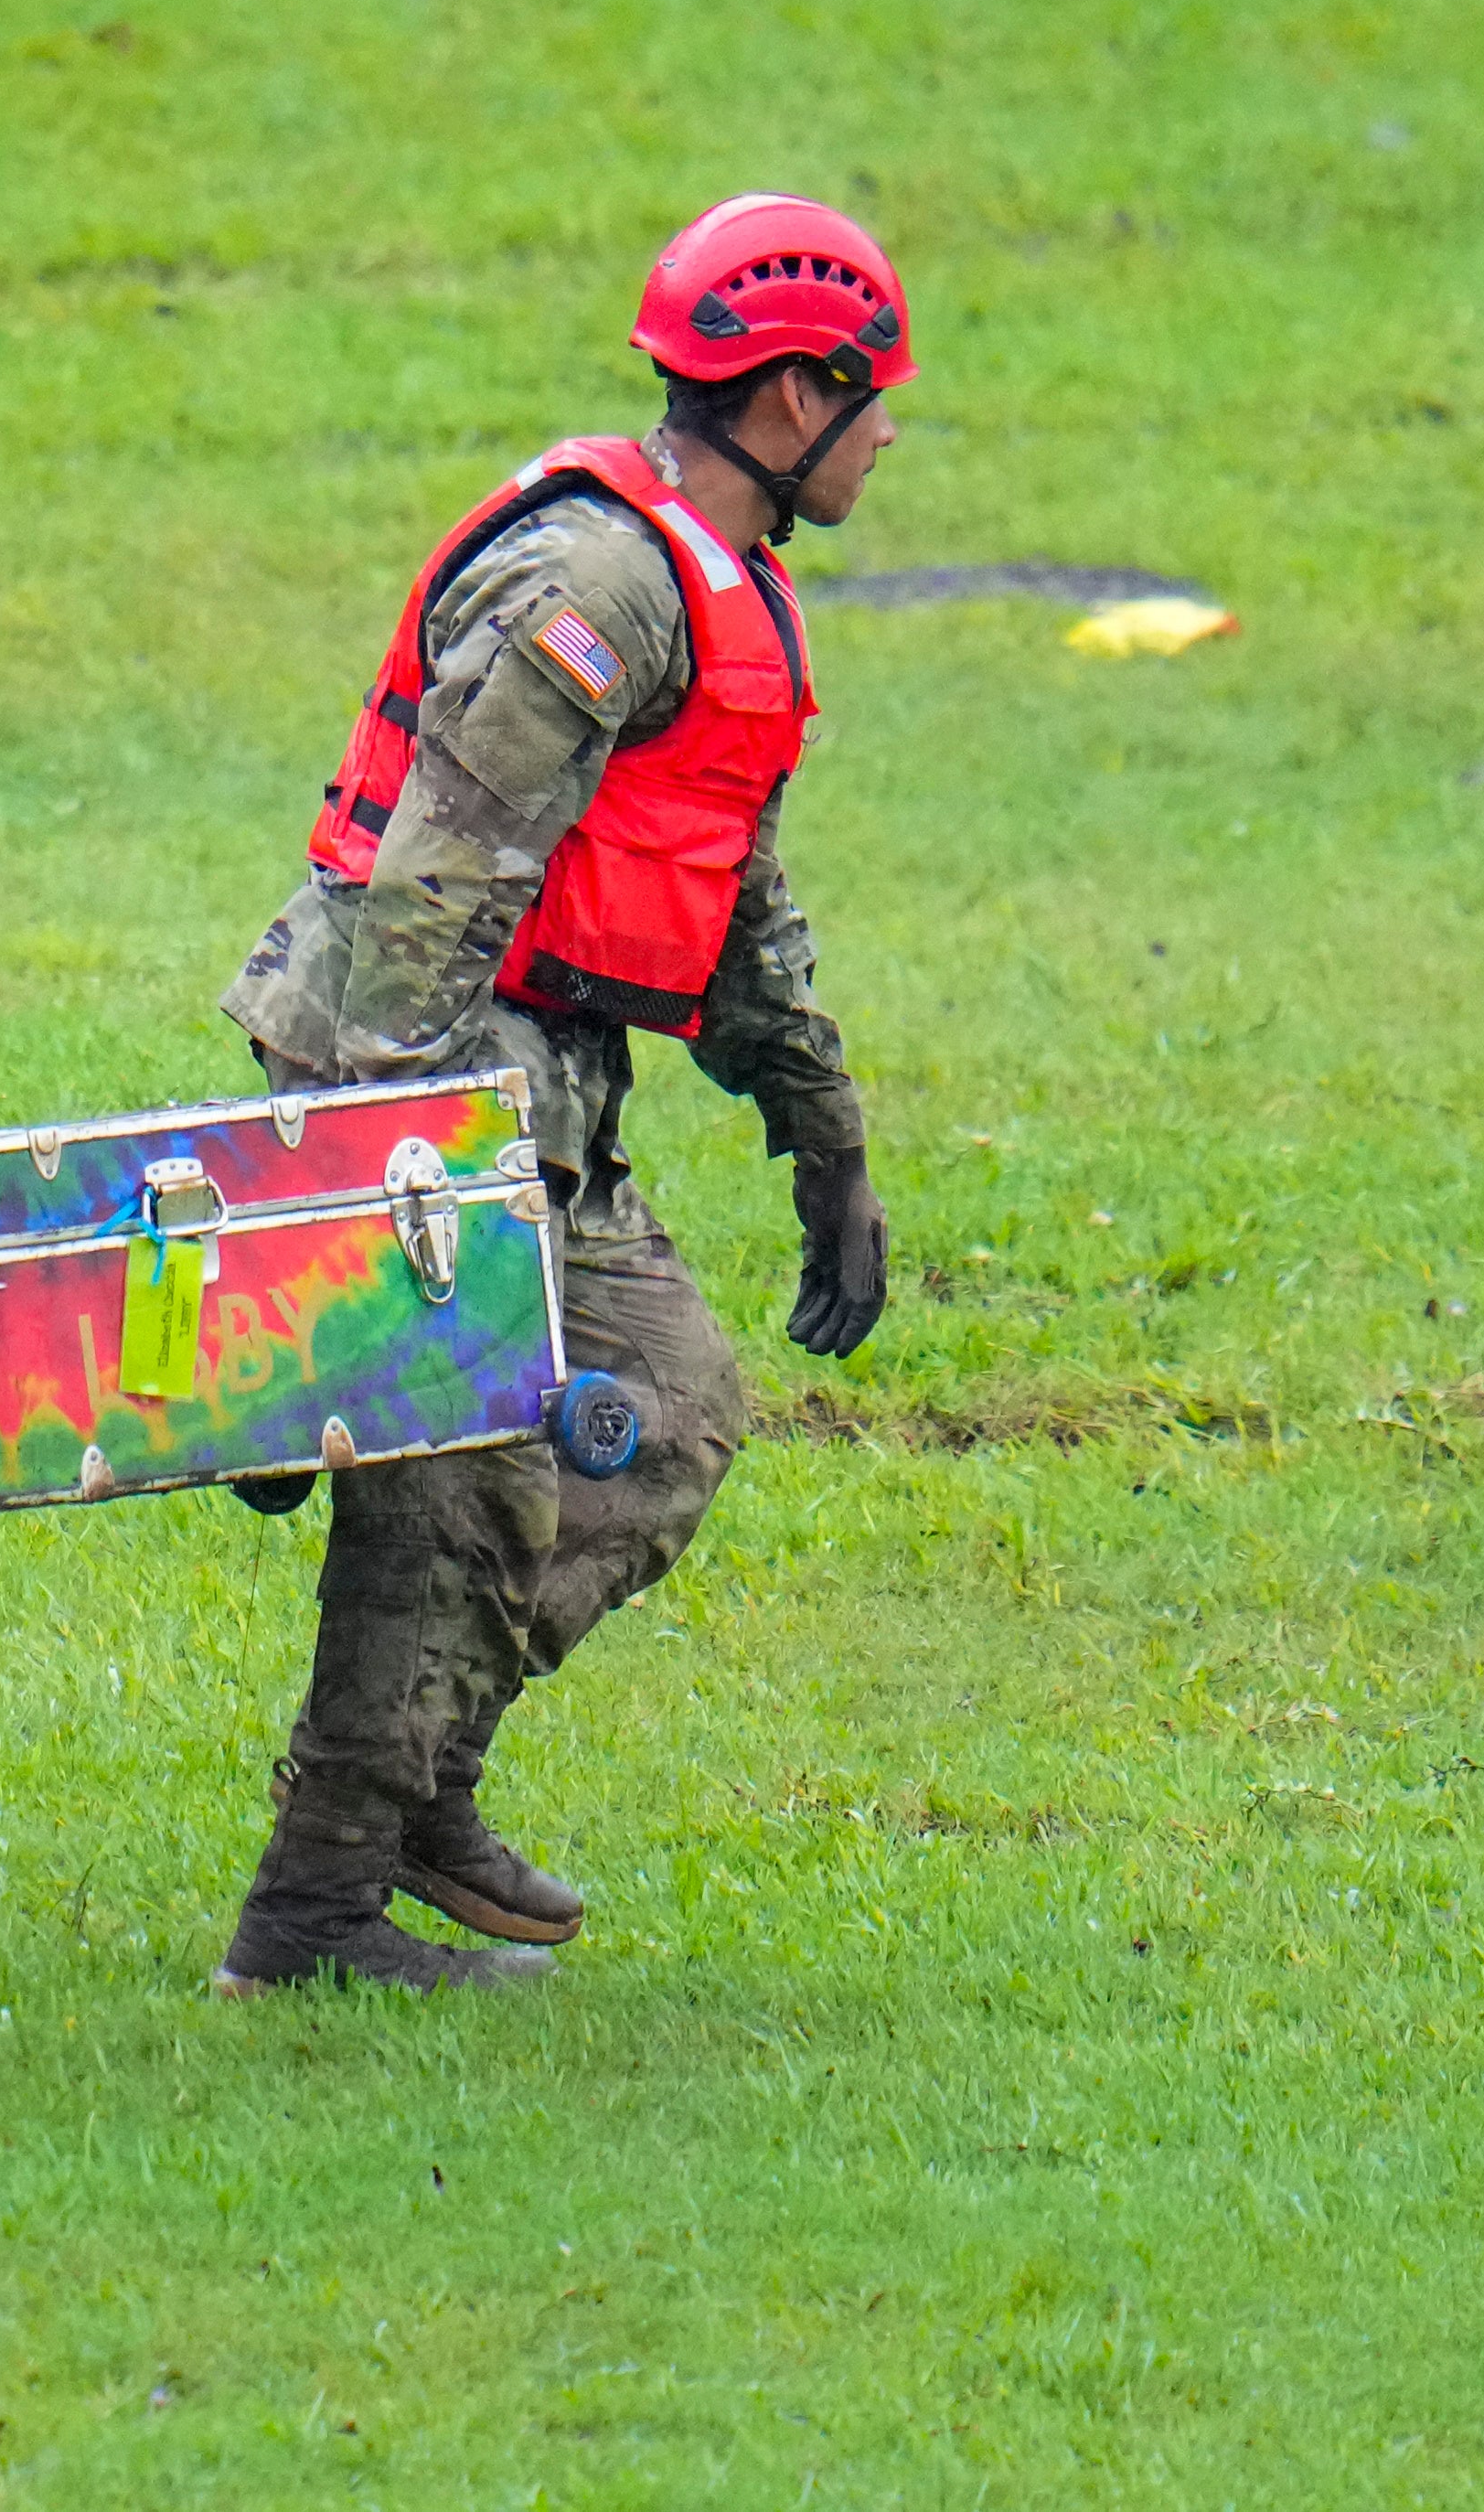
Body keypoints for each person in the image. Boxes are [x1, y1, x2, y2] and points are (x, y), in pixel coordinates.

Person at [209, 192, 898, 1994]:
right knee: (454, 1499)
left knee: (663, 1410)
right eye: (871, 394)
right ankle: (315, 1919)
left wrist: (824, 1144)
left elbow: (724, 897)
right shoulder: (594, 589)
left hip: (538, 1100)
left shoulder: (715, 587)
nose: (889, 430)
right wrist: (381, 1192)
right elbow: (427, 889)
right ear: (784, 401)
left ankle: (407, 1782)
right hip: (418, 1080)